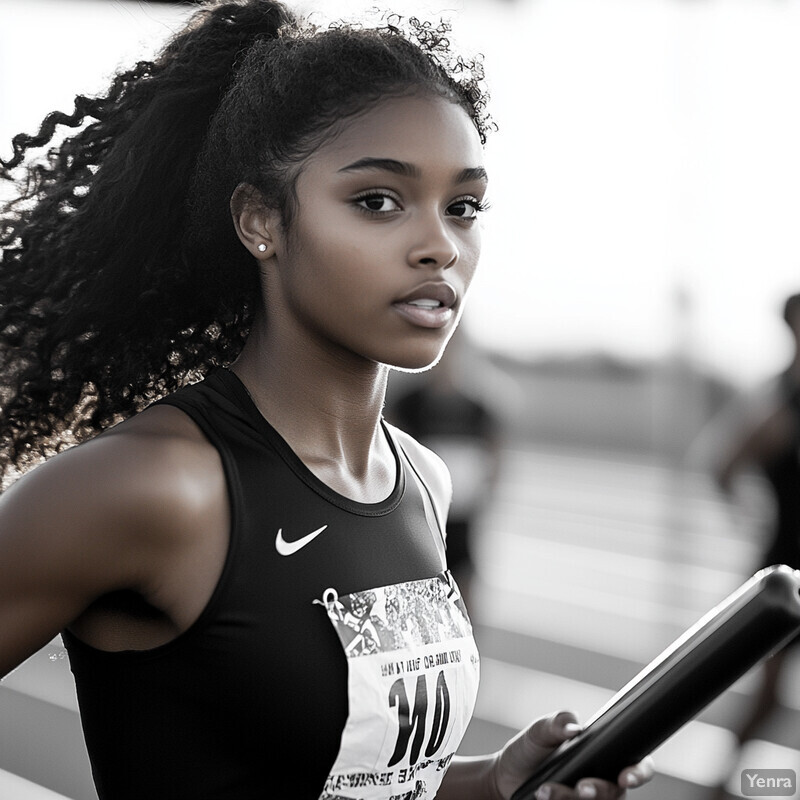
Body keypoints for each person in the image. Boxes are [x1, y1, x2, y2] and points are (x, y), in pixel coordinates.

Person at [0, 2, 654, 799]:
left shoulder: (421, 482)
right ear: (261, 221)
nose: (440, 245)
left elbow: (348, 779)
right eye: (379, 200)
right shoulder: (153, 487)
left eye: (464, 207)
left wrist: (493, 783)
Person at [707, 292, 800, 799]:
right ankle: (725, 780)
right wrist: (750, 514)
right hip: (788, 569)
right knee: (767, 697)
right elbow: (722, 465)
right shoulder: (779, 403)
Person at [388, 328, 502, 611]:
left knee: (464, 581)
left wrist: (487, 494)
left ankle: (469, 645)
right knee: (419, 583)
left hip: (461, 514)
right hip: (418, 514)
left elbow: (496, 453)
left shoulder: (479, 407)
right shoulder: (409, 403)